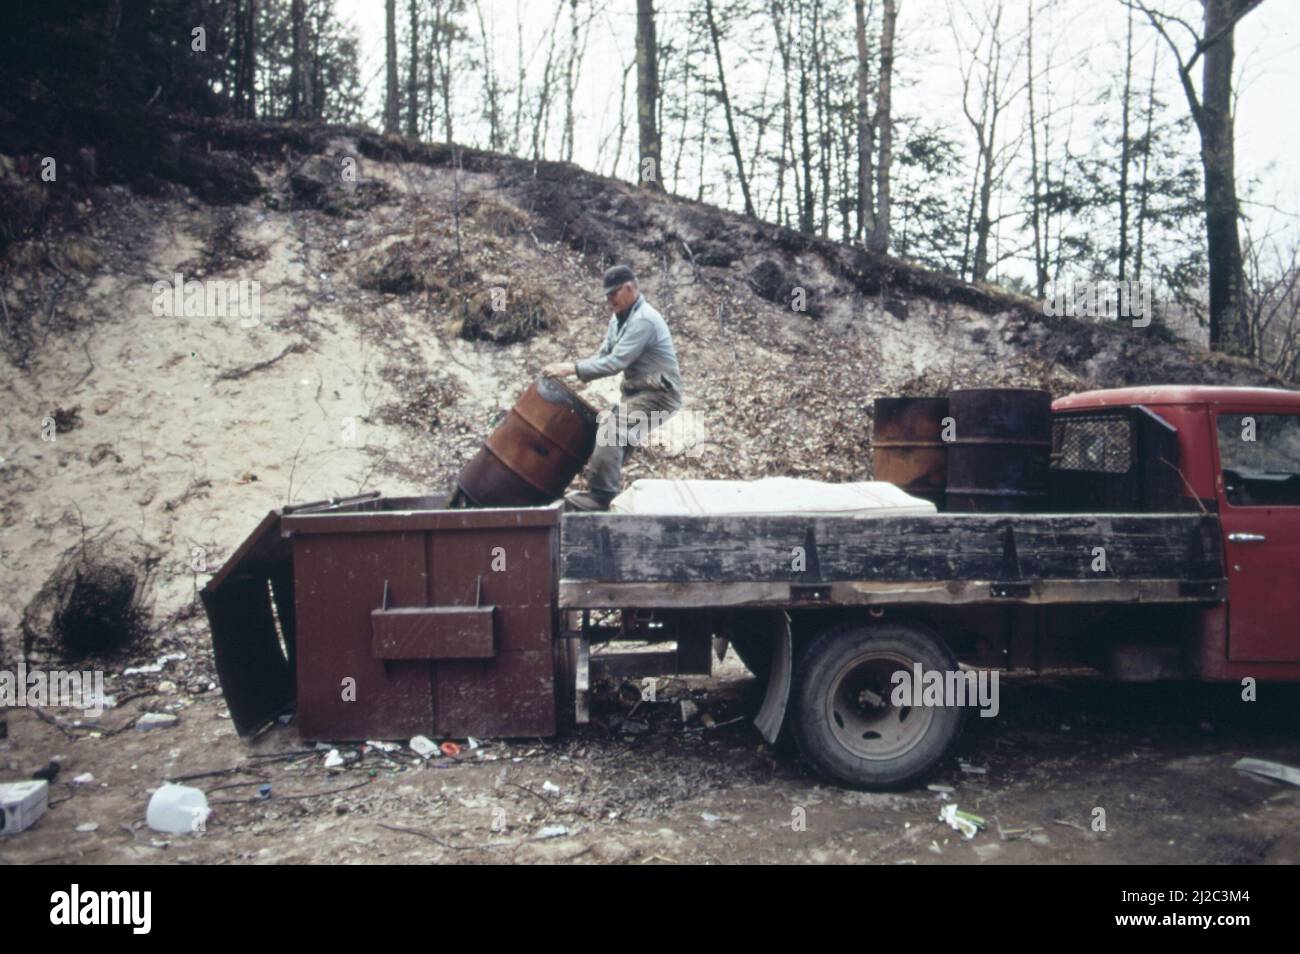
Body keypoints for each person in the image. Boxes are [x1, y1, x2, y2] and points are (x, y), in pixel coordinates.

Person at [543, 264, 683, 511]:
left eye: (613, 294)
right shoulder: (618, 319)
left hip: (659, 396)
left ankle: (601, 497)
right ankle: (605, 494)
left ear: (628, 289)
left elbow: (616, 363)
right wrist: (573, 378)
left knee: (613, 428)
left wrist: (570, 368)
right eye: (607, 295)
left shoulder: (644, 320)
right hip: (637, 393)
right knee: (605, 429)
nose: (609, 300)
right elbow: (603, 356)